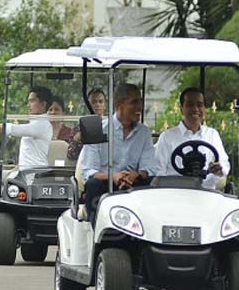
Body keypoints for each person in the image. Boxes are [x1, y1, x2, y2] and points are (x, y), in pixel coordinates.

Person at [80, 83, 155, 221]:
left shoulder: (144, 133)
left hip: (133, 184)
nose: (140, 107)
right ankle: (98, 233)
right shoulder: (97, 129)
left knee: (151, 182)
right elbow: (89, 171)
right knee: (92, 185)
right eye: (134, 102)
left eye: (140, 101)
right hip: (105, 184)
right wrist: (114, 177)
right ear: (120, 105)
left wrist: (135, 175)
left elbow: (149, 168)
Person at [0, 86, 54, 198]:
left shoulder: (41, 125)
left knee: (9, 183)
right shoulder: (35, 123)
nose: (28, 105)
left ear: (43, 104)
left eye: (32, 101)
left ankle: (7, 207)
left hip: (33, 174)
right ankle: (2, 207)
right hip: (22, 170)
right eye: (28, 101)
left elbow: (11, 129)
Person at [155, 87, 230, 190]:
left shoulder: (212, 135)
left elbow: (224, 165)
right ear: (182, 108)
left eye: (199, 105)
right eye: (190, 105)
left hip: (205, 193)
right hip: (175, 194)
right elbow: (159, 171)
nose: (195, 109)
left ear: (204, 108)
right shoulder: (167, 137)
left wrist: (218, 169)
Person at [66, 87, 107, 160]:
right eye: (93, 102)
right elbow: (70, 156)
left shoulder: (110, 127)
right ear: (87, 105)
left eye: (100, 101)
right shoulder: (79, 128)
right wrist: (77, 138)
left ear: (105, 105)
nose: (97, 104)